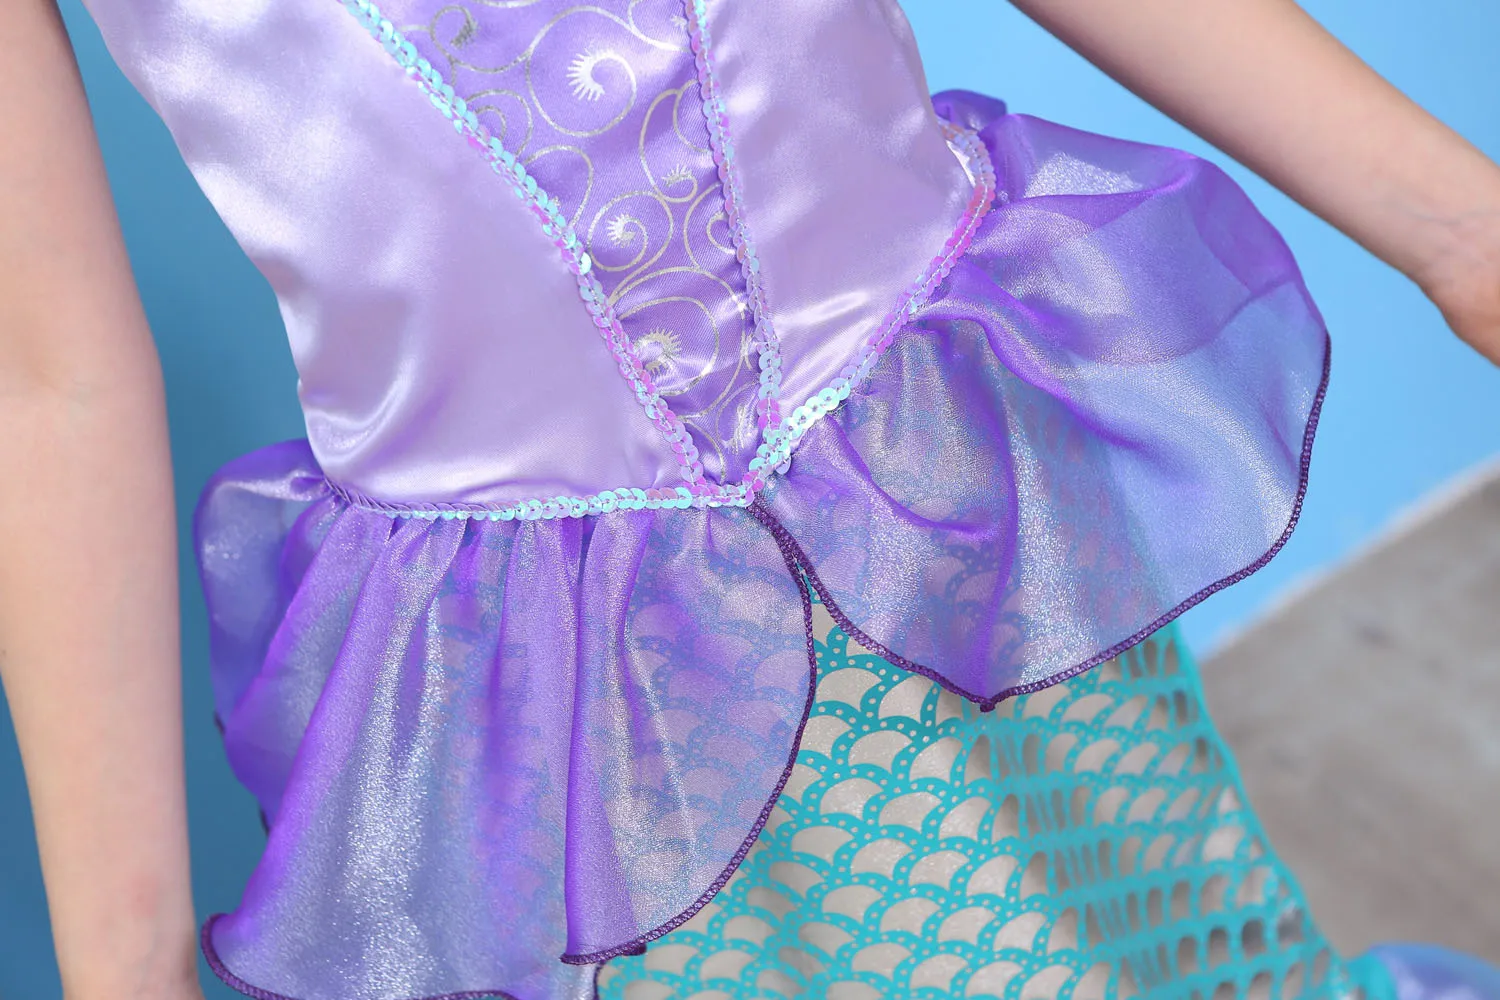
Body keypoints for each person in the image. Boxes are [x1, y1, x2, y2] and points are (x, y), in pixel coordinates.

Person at [2, 1, 1497, 999]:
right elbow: (44, 379)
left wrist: (1464, 230)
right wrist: (127, 965)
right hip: (573, 669)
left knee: (1157, 930)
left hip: (952, 460)